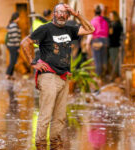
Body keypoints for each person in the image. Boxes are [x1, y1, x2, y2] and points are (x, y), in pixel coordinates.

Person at [21, 3, 94, 149]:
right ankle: (41, 143)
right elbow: (25, 42)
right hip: (48, 75)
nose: (61, 15)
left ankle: (55, 142)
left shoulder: (69, 29)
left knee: (60, 116)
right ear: (54, 14)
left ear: (67, 16)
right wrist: (32, 62)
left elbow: (91, 29)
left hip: (63, 77)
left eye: (64, 13)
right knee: (46, 114)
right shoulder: (45, 29)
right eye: (58, 12)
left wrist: (77, 15)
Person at [86, 4, 109, 79]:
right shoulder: (105, 21)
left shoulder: (93, 21)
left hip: (97, 41)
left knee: (97, 60)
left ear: (94, 12)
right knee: (104, 59)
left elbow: (91, 34)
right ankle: (104, 76)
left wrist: (87, 43)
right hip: (105, 41)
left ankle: (98, 77)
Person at [5, 12, 21, 80]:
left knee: (13, 60)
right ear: (16, 18)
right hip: (14, 45)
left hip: (10, 45)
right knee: (13, 61)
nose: (19, 19)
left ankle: (10, 75)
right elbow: (15, 38)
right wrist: (18, 47)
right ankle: (7, 74)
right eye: (18, 17)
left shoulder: (11, 25)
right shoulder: (14, 25)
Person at [108, 11, 123, 80]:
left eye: (111, 16)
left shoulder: (114, 25)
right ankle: (116, 75)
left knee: (114, 61)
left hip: (113, 45)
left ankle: (116, 76)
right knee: (115, 60)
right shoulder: (119, 24)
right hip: (116, 44)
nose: (110, 17)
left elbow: (110, 34)